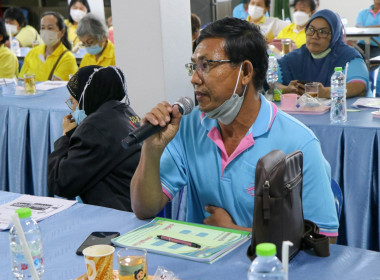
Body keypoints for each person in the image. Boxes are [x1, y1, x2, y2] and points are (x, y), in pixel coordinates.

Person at [130, 17, 338, 241]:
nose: (194, 78)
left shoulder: (298, 143)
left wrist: (237, 233)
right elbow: (144, 209)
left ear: (246, 72)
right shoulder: (189, 126)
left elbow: (325, 238)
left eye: (206, 65)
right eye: (193, 66)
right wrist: (151, 149)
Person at [48, 65, 142, 212]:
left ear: (86, 98)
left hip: (116, 216)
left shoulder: (95, 128)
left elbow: (61, 183)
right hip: (132, 206)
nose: (72, 109)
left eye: (73, 102)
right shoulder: (125, 112)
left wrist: (65, 137)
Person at [278, 9, 370, 98]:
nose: (314, 36)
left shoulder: (348, 56)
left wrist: (325, 92)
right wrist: (286, 89)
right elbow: (269, 82)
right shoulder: (296, 56)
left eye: (323, 32)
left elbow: (359, 86)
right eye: (311, 29)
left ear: (334, 35)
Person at [19, 12, 78, 81]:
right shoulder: (32, 53)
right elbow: (21, 81)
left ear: (62, 32)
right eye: (43, 28)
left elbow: (55, 88)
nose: (45, 31)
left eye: (50, 28)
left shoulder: (67, 58)